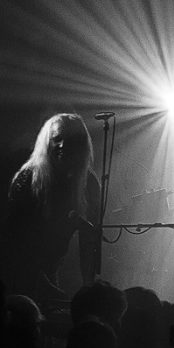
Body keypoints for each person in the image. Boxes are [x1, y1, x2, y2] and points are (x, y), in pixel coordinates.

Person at [1, 113, 100, 306]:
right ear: (47, 143)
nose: (62, 145)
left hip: (50, 270)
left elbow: (89, 241)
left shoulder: (88, 183)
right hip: (15, 270)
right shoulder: (28, 179)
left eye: (70, 140)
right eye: (57, 139)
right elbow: (14, 239)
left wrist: (88, 286)